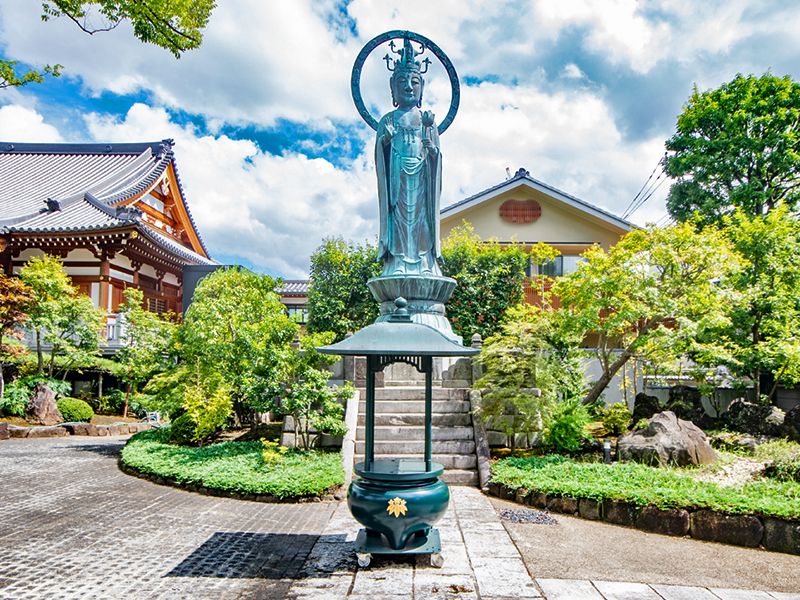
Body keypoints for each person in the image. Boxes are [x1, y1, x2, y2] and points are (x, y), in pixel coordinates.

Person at [375, 38, 442, 277]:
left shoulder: (428, 120)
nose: (408, 87)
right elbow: (379, 160)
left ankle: (425, 263)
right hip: (397, 179)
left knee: (422, 220)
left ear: (422, 87)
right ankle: (399, 262)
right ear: (392, 87)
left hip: (422, 180)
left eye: (414, 82)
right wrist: (385, 142)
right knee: (400, 221)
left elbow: (436, 157)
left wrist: (431, 150)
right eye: (402, 82)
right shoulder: (387, 120)